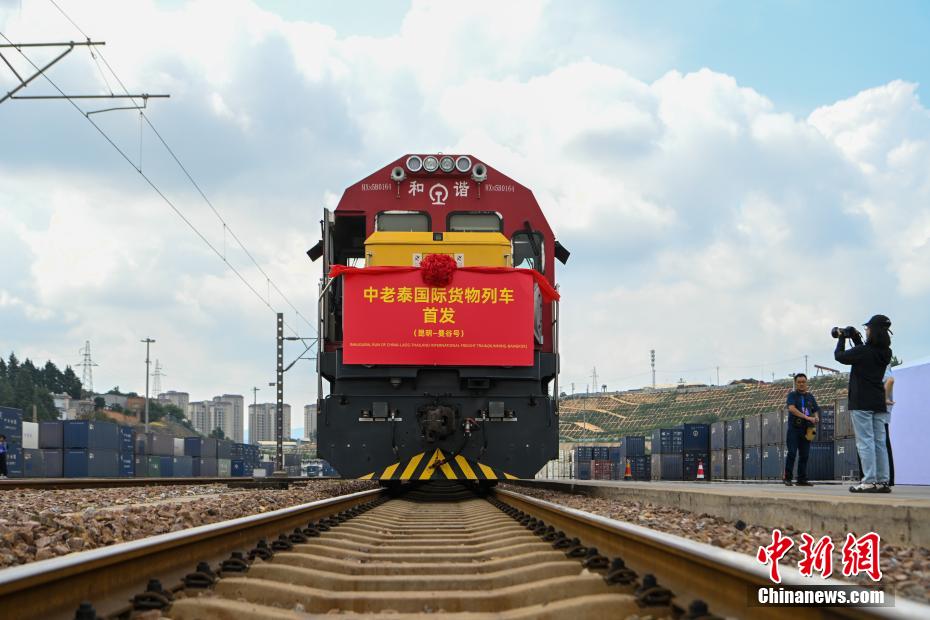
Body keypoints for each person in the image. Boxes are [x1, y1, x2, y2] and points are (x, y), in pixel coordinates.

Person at [835, 314, 893, 493]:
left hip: (861, 402)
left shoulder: (864, 352)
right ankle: (883, 481)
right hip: (878, 400)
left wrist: (842, 338)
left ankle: (868, 481)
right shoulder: (885, 352)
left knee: (865, 442)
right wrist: (856, 338)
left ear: (873, 330)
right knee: (879, 442)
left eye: (868, 328)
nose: (866, 330)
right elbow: (864, 354)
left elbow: (840, 356)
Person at [784, 374, 820, 486]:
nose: (801, 384)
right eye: (799, 382)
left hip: (809, 429)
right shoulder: (792, 395)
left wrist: (816, 417)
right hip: (794, 429)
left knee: (805, 455)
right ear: (795, 383)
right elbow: (791, 409)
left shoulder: (810, 396)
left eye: (803, 382)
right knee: (792, 453)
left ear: (806, 382)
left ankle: (802, 479)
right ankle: (787, 478)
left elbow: (815, 409)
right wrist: (806, 417)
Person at [884, 365, 895, 486]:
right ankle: (889, 478)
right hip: (884, 412)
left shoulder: (884, 366)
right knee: (885, 445)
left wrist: (884, 398)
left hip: (881, 413)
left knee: (884, 446)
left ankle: (888, 478)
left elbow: (889, 380)